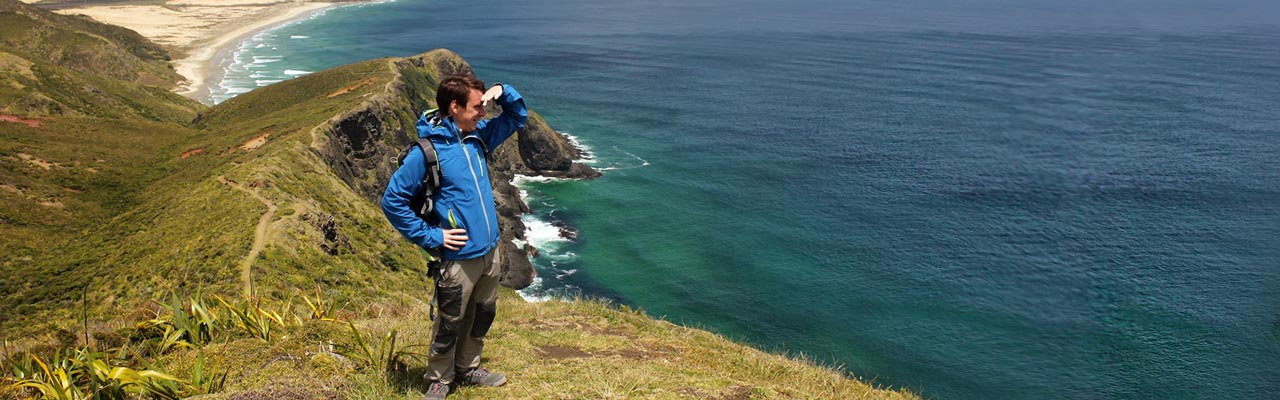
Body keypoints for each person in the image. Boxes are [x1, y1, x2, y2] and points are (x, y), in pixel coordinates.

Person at [381, 75, 527, 399]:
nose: (483, 114)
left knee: (483, 313)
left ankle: (468, 367)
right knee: (449, 321)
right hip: (457, 258)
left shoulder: (478, 137)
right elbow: (392, 201)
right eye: (477, 107)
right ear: (454, 106)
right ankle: (439, 378)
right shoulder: (426, 153)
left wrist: (503, 91)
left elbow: (518, 117)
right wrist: (431, 236)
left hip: (490, 251)